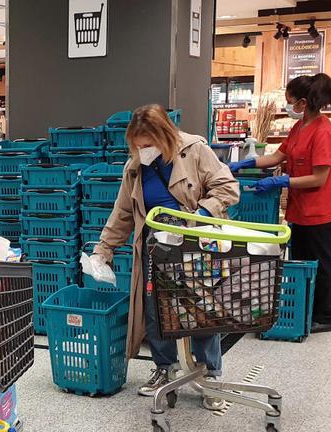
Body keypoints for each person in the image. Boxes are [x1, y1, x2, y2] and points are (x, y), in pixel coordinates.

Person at [92, 104, 239, 409]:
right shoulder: (135, 167)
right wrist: (104, 249)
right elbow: (122, 213)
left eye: (148, 144)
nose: (143, 151)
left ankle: (210, 372)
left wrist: (200, 214)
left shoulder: (195, 151)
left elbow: (228, 188)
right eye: (138, 145)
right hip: (155, 247)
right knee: (155, 309)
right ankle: (164, 366)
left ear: (165, 137)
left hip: (195, 244)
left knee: (201, 309)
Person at [230, 73, 331, 333]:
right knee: (302, 261)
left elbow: (319, 178)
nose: (288, 106)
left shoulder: (324, 131)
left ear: (303, 102)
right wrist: (246, 163)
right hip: (299, 209)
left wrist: (281, 182)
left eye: (290, 101)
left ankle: (324, 317)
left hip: (320, 210)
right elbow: (279, 155)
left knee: (322, 265)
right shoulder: (299, 126)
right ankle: (304, 308)